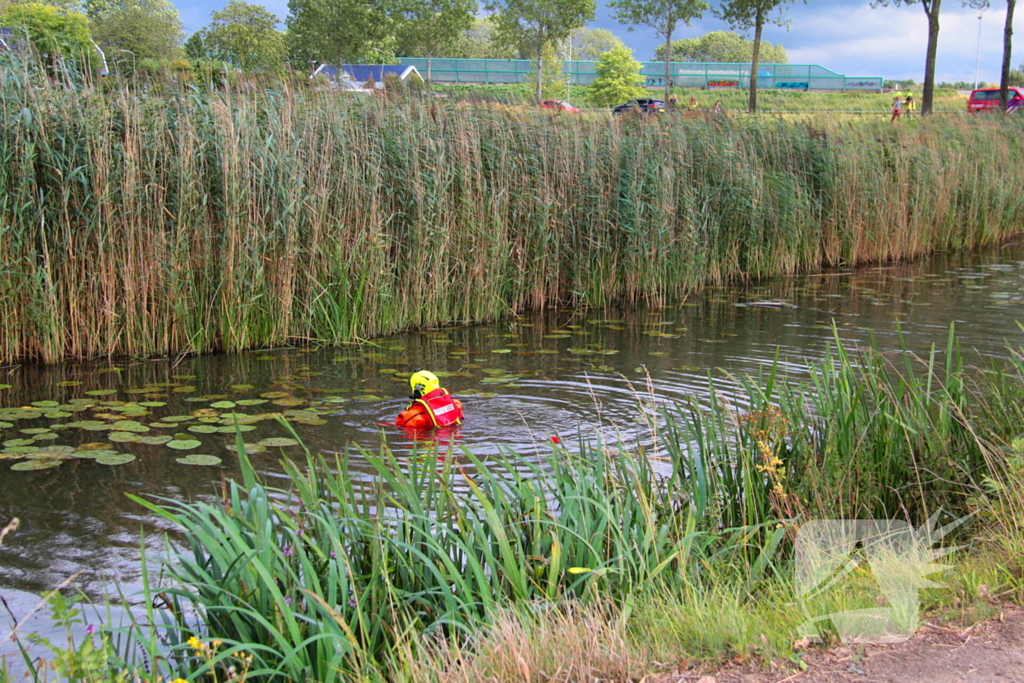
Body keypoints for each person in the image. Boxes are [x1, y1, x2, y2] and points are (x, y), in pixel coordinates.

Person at [395, 370, 463, 429]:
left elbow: (399, 427)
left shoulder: (408, 416)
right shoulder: (456, 405)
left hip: (429, 440)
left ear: (417, 388)